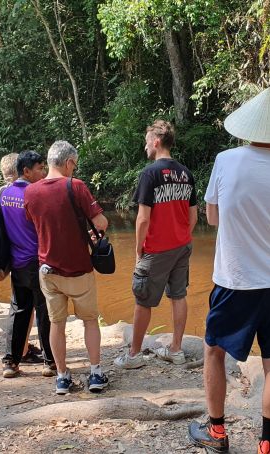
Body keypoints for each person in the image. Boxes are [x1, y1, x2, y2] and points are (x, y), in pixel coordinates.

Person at [189, 88, 270, 454]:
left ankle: (217, 434)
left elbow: (211, 217)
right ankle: (267, 447)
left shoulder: (226, 160)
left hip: (234, 281)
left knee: (214, 352)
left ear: (247, 127)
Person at [24, 140, 110, 395]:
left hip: (48, 270)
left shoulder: (31, 192)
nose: (75, 168)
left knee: (56, 324)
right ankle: (95, 374)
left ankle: (62, 377)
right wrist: (91, 233)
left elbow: (37, 224)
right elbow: (101, 222)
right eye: (75, 163)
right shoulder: (77, 186)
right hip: (79, 269)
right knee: (90, 321)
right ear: (69, 162)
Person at [115, 120, 197, 369]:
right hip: (182, 246)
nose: (145, 146)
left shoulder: (150, 174)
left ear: (157, 142)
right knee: (178, 296)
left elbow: (142, 219)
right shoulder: (186, 174)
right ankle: (176, 350)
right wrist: (180, 235)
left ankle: (133, 356)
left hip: (156, 249)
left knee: (143, 301)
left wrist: (139, 248)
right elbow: (193, 217)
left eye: (147, 141)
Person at [0, 150, 56, 378]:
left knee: (19, 309)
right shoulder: (36, 194)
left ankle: (10, 362)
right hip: (38, 260)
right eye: (40, 169)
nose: (43, 173)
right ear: (26, 171)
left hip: (17, 263)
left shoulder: (4, 194)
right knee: (44, 311)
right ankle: (49, 362)